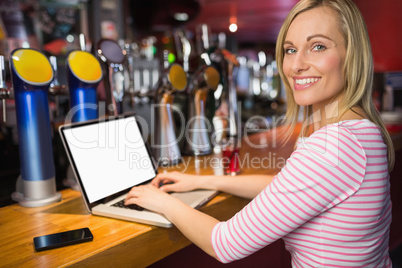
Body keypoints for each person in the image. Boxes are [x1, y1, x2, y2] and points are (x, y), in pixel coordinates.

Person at [125, 0, 395, 266]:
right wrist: (205, 182)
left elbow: (225, 244)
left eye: (318, 46)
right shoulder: (360, 130)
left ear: (352, 54)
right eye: (290, 50)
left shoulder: (333, 147)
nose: (296, 65)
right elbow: (286, 188)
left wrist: (160, 202)